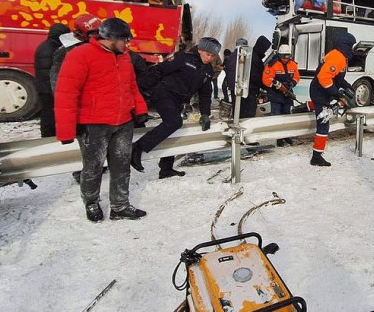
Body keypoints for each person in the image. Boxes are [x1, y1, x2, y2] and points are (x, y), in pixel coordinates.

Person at [55, 18, 148, 222]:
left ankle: (120, 206)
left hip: (123, 122)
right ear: (111, 38)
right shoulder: (80, 55)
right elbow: (66, 93)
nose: (127, 44)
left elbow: (131, 86)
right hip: (93, 124)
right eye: (124, 39)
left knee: (121, 165)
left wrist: (140, 109)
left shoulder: (124, 56)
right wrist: (66, 130)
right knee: (93, 167)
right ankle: (91, 203)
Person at [131, 37, 220, 179]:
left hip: (179, 100)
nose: (210, 58)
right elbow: (159, 70)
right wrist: (140, 90)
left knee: (173, 129)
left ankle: (166, 168)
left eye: (213, 56)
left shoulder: (208, 70)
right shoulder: (184, 58)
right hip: (164, 93)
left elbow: (205, 93)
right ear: (200, 50)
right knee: (174, 122)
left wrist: (205, 114)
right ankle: (137, 148)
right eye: (208, 54)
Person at [48, 14, 103, 184]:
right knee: (85, 143)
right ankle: (84, 174)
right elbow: (59, 85)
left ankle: (98, 166)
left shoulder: (97, 48)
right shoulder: (65, 52)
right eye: (94, 33)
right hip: (81, 106)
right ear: (81, 33)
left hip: (97, 105)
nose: (98, 36)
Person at [309, 32, 356, 166]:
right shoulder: (337, 57)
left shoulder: (340, 56)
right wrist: (337, 94)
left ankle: (301, 108)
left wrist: (347, 86)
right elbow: (324, 77)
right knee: (323, 123)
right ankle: (316, 157)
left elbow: (336, 77)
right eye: (351, 46)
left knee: (323, 114)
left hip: (322, 92)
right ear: (346, 45)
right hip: (320, 93)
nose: (352, 49)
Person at [33, 23, 70, 137]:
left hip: (43, 86)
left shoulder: (45, 45)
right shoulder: (54, 49)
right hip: (49, 87)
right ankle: (49, 135)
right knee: (50, 113)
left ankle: (47, 135)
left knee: (47, 112)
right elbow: (53, 71)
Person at [262, 44, 300, 146]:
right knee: (277, 117)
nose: (285, 58)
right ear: (279, 55)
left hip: (288, 94)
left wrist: (292, 83)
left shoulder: (293, 64)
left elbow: (296, 76)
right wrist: (276, 85)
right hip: (276, 95)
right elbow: (266, 79)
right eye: (283, 56)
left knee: (287, 116)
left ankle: (287, 136)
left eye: (287, 56)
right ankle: (279, 139)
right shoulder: (272, 65)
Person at [240, 36, 272, 119]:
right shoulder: (255, 59)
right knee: (249, 113)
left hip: (249, 89)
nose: (265, 51)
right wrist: (265, 85)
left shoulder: (253, 56)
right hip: (250, 90)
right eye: (265, 49)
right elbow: (255, 76)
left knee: (246, 111)